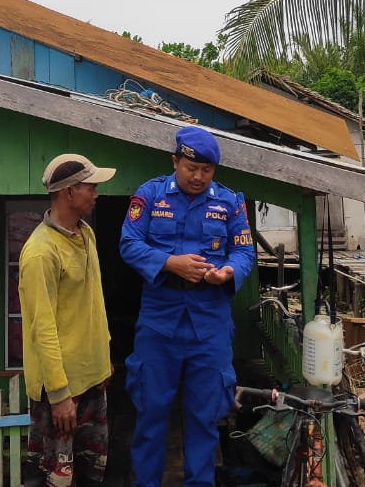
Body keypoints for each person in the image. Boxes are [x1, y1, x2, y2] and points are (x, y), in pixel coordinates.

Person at [120, 126, 255, 487]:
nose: (198, 177)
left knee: (204, 418)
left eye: (206, 170)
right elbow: (129, 243)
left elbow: (244, 251)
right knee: (150, 415)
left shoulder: (229, 202)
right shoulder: (150, 195)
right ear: (175, 162)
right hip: (159, 322)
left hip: (209, 324)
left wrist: (228, 272)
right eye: (191, 168)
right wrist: (170, 263)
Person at [19, 153, 117, 487]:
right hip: (61, 390)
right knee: (56, 478)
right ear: (69, 192)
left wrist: (103, 359)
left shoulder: (85, 234)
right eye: (91, 187)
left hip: (92, 378)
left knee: (92, 473)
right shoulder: (41, 252)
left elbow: (93, 303)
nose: (96, 194)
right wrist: (59, 396)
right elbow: (42, 328)